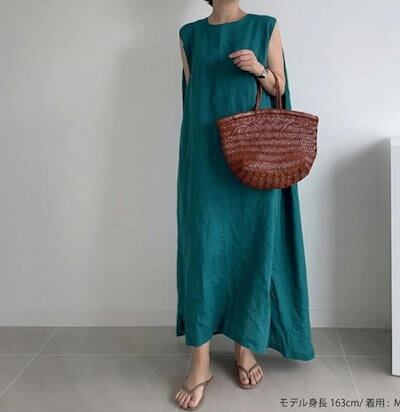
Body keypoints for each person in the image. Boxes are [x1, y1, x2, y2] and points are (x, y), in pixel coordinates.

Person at [174, 0, 315, 409]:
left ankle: (244, 345)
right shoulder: (189, 35)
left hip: (255, 156)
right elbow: (193, 99)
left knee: (251, 248)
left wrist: (259, 69)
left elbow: (279, 89)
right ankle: (200, 361)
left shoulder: (265, 26)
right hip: (204, 160)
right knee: (203, 253)